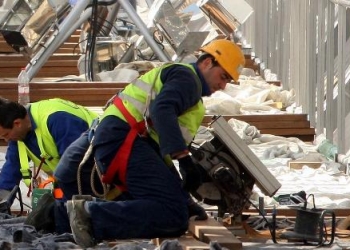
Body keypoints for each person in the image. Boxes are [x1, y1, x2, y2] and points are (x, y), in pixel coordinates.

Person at [51, 39, 245, 247]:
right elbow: (163, 110)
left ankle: (57, 216)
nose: (223, 85)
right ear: (207, 62)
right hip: (123, 139)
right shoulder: (188, 79)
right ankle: (85, 215)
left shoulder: (186, 83)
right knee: (171, 214)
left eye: (228, 82)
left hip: (122, 139)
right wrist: (184, 158)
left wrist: (184, 199)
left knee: (170, 208)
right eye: (223, 76)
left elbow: (157, 148)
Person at [0, 97, 98, 216]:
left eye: (6, 134)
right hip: (77, 180)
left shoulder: (58, 120)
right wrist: (2, 204)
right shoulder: (18, 135)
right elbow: (10, 172)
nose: (6, 140)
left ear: (17, 123)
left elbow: (75, 168)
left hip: (102, 173)